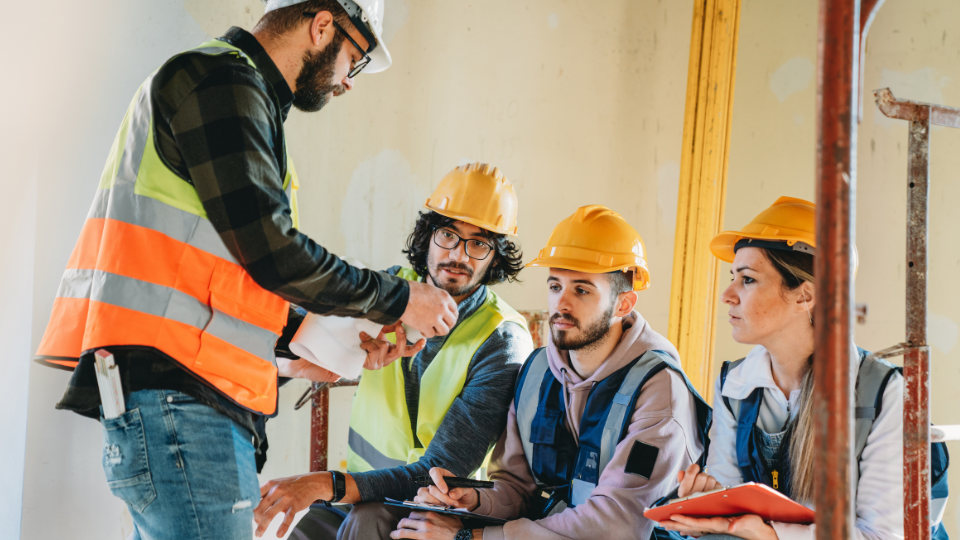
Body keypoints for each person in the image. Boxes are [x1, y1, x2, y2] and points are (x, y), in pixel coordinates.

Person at [33, 1, 458, 539]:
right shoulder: (221, 83)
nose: (348, 83)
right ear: (322, 25)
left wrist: (313, 346)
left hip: (184, 406)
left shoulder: (241, 98)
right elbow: (273, 253)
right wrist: (399, 298)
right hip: (182, 407)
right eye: (352, 61)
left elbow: (227, 279)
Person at [393, 205, 712, 540]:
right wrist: (471, 500)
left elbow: (617, 524)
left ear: (623, 304)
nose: (561, 304)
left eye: (582, 290)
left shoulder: (659, 391)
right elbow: (516, 489)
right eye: (555, 286)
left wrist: (470, 538)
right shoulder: (536, 372)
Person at [255, 163, 535, 539]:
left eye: (479, 243)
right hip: (362, 491)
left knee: (366, 522)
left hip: (437, 508)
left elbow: (441, 469)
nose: (460, 256)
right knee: (308, 531)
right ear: (428, 236)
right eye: (448, 234)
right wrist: (329, 355)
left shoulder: (502, 339)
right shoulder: (387, 291)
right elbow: (284, 340)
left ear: (495, 257)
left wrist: (325, 484)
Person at [658, 196, 948, 540]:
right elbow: (733, 510)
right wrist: (708, 509)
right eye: (733, 277)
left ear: (805, 296)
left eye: (747, 279)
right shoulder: (734, 385)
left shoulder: (884, 393)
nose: (727, 294)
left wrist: (769, 534)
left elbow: (881, 537)